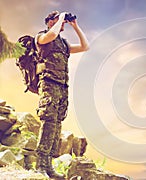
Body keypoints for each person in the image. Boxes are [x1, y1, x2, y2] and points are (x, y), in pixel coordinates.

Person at [35, 11, 89, 179]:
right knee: (48, 122)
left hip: (62, 87)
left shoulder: (64, 44)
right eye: (58, 20)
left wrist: (75, 25)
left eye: (63, 21)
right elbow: (51, 34)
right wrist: (60, 18)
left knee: (57, 124)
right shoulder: (42, 37)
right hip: (49, 84)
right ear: (50, 21)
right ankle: (40, 166)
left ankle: (49, 167)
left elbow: (85, 46)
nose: (62, 23)